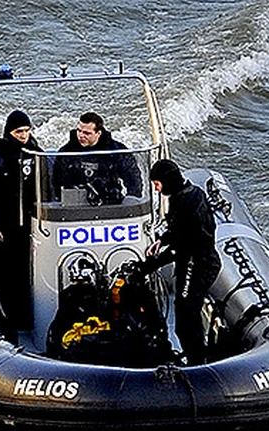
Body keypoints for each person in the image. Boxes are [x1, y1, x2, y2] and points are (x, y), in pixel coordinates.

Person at [141, 158, 220, 365]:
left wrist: (150, 266)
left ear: (167, 181)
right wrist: (161, 240)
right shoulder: (190, 194)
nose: (157, 189)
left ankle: (197, 363)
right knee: (186, 312)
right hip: (197, 260)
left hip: (197, 264)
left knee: (186, 318)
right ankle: (197, 355)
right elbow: (177, 231)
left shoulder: (185, 202)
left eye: (157, 184)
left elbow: (182, 244)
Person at [0, 109, 42, 334]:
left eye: (26, 130)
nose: (23, 135)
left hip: (29, 226)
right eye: (19, 131)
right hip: (5, 226)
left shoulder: (35, 153)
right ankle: (0, 324)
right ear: (9, 132)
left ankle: (26, 321)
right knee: (2, 276)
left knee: (26, 275)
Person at [54, 111, 142, 203]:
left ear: (98, 133)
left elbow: (134, 179)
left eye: (87, 133)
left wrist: (131, 204)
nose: (81, 136)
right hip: (75, 203)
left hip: (110, 202)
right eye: (79, 131)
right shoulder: (67, 152)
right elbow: (57, 181)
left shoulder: (116, 151)